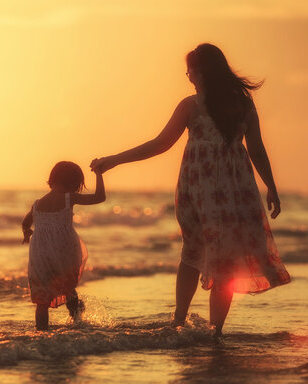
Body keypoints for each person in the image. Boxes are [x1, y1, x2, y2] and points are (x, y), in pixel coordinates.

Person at [90, 43, 290, 338]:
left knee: (193, 252)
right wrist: (270, 186)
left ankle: (180, 323)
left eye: (191, 70)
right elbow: (256, 150)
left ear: (203, 72)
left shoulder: (193, 105)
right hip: (235, 190)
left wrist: (114, 160)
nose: (188, 76)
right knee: (223, 259)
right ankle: (214, 332)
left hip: (200, 189)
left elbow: (159, 144)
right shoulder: (241, 103)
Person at [22, 161, 106, 330]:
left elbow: (25, 222)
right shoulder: (69, 198)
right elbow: (99, 197)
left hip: (40, 256)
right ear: (75, 183)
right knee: (68, 288)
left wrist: (27, 234)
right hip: (64, 252)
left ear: (52, 179)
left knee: (42, 301)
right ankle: (77, 321)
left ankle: (42, 333)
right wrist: (99, 173)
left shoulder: (38, 203)